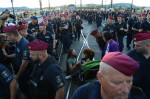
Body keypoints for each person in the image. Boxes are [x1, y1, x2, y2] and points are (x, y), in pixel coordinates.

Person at [72, 52, 148, 99]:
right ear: (100, 77)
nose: (126, 90)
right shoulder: (83, 94)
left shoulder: (138, 95)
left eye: (129, 81)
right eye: (117, 83)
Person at [3, 26, 32, 95]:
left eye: (7, 37)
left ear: (12, 36)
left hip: (25, 72)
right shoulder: (18, 42)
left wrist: (18, 75)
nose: (7, 39)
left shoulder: (24, 44)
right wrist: (7, 56)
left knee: (27, 89)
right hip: (20, 70)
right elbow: (17, 54)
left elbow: (25, 63)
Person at [127, 33, 150, 98]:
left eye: (138, 46)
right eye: (134, 45)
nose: (135, 47)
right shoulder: (131, 54)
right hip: (135, 91)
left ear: (148, 45)